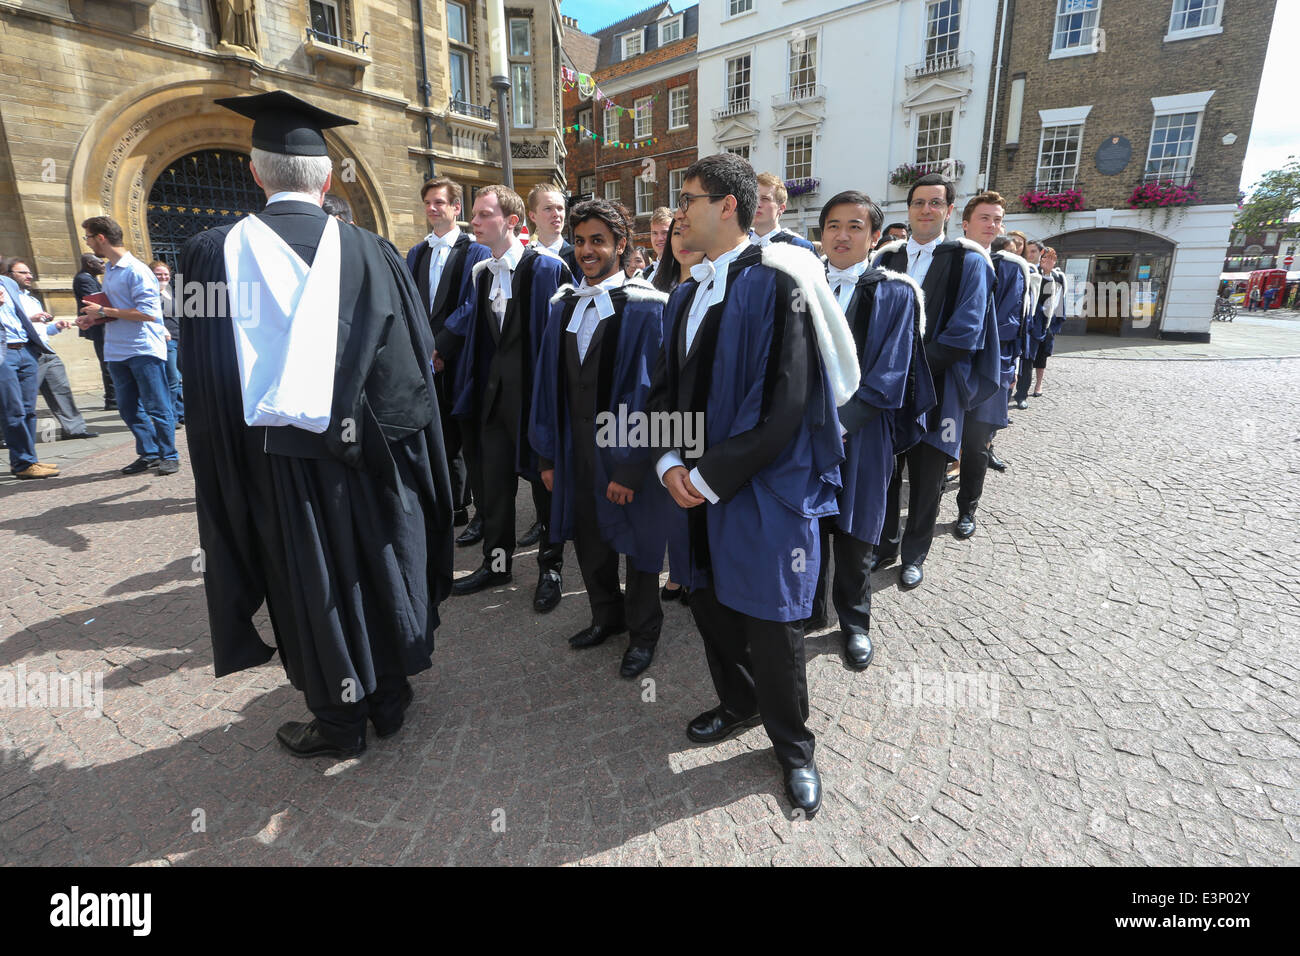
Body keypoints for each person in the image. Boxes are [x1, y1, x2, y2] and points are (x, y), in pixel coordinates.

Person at [177, 90, 455, 759]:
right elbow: (415, 367)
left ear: (256, 173)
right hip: (373, 458)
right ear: (327, 179)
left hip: (280, 465)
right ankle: (388, 700)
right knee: (377, 564)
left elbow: (206, 387)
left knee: (313, 583)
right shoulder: (377, 251)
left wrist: (227, 478)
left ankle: (339, 722)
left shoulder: (211, 255)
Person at [648, 153, 860, 816]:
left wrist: (709, 476)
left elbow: (788, 400)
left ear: (728, 206)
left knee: (772, 623)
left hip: (765, 486)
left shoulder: (777, 281)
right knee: (709, 608)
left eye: (689, 198)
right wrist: (667, 464)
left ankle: (794, 747)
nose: (679, 212)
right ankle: (738, 704)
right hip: (695, 488)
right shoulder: (685, 292)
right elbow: (666, 389)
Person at [530, 198, 671, 679]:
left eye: (598, 241)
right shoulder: (563, 305)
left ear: (620, 245)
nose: (587, 250)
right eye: (581, 240)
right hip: (575, 449)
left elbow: (651, 391)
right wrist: (547, 453)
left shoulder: (647, 309)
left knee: (639, 545)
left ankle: (643, 633)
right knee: (590, 539)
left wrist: (631, 466)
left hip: (624, 449)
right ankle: (605, 619)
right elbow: (547, 384)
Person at [808, 190, 932, 669]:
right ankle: (807, 611)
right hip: (802, 430)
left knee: (857, 531)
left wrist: (840, 425)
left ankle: (854, 621)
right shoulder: (799, 286)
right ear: (822, 233)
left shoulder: (895, 293)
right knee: (809, 525)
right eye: (834, 225)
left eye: (855, 227)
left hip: (863, 431)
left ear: (875, 236)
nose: (842, 235)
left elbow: (891, 372)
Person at [871, 173, 1000, 590]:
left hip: (937, 387)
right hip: (887, 390)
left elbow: (966, 331)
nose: (926, 210)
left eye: (935, 203)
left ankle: (914, 553)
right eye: (918, 203)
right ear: (907, 210)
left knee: (927, 478)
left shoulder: (969, 260)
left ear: (948, 211)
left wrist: (905, 370)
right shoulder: (887, 259)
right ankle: (885, 544)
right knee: (887, 472)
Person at [449, 184, 571, 612]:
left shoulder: (549, 269)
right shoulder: (481, 273)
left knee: (545, 488)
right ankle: (496, 564)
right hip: (495, 401)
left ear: (513, 222)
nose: (474, 222)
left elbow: (563, 341)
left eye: (483, 215)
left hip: (537, 403)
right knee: (495, 488)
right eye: (475, 215)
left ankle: (550, 569)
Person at [405, 176, 491, 535]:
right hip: (427, 360)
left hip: (462, 359)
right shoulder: (416, 252)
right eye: (427, 203)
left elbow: (474, 304)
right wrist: (425, 348)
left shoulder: (475, 251)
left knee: (467, 438)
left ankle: (474, 511)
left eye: (439, 202)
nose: (432, 209)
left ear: (457, 208)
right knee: (436, 433)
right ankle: (449, 506)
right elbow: (408, 302)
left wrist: (442, 345)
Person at [77, 216, 178, 476]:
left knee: (157, 405)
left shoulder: (136, 270)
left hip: (142, 348)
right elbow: (117, 308)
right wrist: (93, 318)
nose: (87, 243)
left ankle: (169, 454)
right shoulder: (110, 269)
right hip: (116, 349)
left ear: (101, 238)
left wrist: (103, 309)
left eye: (88, 237)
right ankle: (149, 453)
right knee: (127, 407)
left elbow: (148, 313)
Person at [954, 208, 1031, 540]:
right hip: (948, 368)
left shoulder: (1011, 268)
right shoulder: (949, 258)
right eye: (984, 218)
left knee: (976, 446)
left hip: (986, 369)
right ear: (965, 224)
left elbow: (1010, 321)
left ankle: (967, 508)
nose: (992, 225)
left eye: (997, 220)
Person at [4, 258, 96, 440]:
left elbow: (41, 329)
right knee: (21, 399)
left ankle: (74, 429)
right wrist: (31, 319)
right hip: (25, 351)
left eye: (29, 272)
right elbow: (9, 326)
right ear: (8, 275)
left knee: (61, 389)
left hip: (45, 350)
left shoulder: (32, 299)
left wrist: (56, 327)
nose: (29, 276)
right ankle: (9, 436)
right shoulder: (6, 298)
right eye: (22, 272)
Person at [1, 271, 60, 478]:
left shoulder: (7, 282)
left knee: (28, 409)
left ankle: (27, 460)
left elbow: (14, 314)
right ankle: (23, 462)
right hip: (3, 354)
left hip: (25, 349)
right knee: (13, 410)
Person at [73, 253, 115, 409]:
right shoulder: (84, 278)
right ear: (90, 263)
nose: (103, 265)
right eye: (101, 263)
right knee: (108, 361)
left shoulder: (89, 277)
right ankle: (112, 399)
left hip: (101, 324)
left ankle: (113, 398)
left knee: (109, 360)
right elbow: (95, 301)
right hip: (98, 325)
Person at [1027, 246, 1066, 397]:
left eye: (1052, 258)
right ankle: (1024, 385)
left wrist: (1056, 324)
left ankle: (1038, 384)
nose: (1048, 260)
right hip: (1034, 320)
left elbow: (1060, 299)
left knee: (1042, 355)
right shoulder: (1033, 272)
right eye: (1045, 257)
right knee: (1028, 354)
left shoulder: (1059, 277)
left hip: (1049, 322)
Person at [150, 260, 183, 427]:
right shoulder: (150, 293)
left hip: (180, 338)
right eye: (159, 274)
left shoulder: (171, 291)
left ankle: (181, 412)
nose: (163, 277)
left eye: (165, 274)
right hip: (166, 340)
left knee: (180, 378)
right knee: (172, 378)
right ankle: (171, 417)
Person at [749, 172, 817, 252]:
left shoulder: (800, 247)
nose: (757, 204)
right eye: (754, 198)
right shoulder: (735, 244)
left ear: (781, 208)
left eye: (765, 199)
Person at [526, 183, 578, 277]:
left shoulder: (577, 257)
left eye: (560, 208)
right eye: (548, 209)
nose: (556, 214)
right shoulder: (524, 259)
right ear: (533, 216)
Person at [641, 206, 674, 283]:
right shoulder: (645, 275)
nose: (659, 238)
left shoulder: (684, 271)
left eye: (665, 233)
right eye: (655, 233)